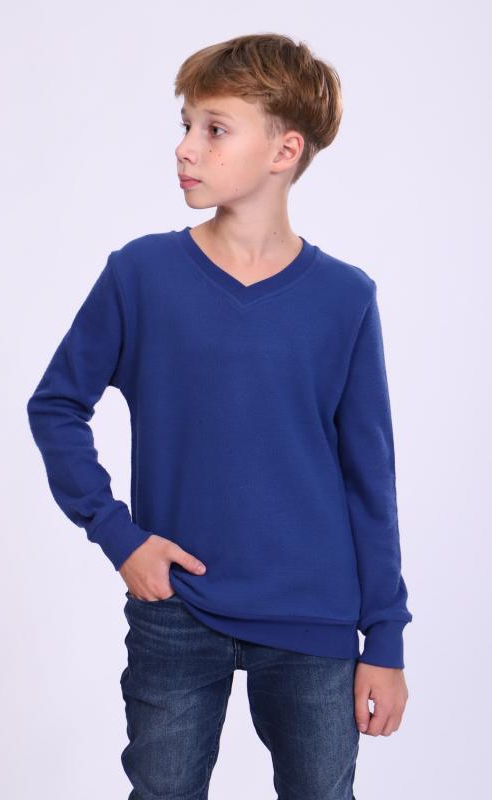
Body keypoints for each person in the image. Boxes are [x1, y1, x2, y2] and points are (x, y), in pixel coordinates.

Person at [27, 32, 413, 800]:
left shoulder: (344, 297)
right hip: (176, 611)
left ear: (284, 150)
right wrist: (118, 535)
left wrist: (386, 639)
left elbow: (368, 478)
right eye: (185, 125)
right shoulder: (141, 274)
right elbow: (57, 405)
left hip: (313, 622)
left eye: (214, 129)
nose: (185, 148)